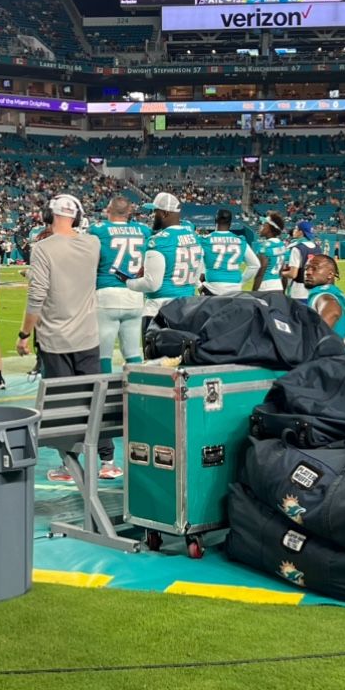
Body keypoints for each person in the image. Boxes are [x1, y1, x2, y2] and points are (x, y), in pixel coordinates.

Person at [16, 194, 117, 481]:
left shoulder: (42, 248)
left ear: (48, 215)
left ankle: (69, 464)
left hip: (55, 338)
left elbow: (37, 296)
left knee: (64, 406)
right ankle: (108, 460)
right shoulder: (92, 243)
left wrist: (24, 334)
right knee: (95, 399)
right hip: (87, 336)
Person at [89, 196, 150, 373]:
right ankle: (137, 387)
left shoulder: (98, 229)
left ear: (108, 210)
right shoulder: (143, 230)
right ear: (129, 212)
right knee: (133, 351)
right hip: (135, 295)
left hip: (107, 293)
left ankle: (103, 388)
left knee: (103, 353)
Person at [125, 192, 204, 326]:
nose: (152, 215)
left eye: (155, 211)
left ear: (164, 213)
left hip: (160, 309)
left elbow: (152, 284)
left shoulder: (158, 241)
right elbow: (197, 276)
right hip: (188, 308)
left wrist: (128, 282)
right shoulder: (195, 238)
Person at [304, 254, 345, 353]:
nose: (308, 272)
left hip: (338, 358)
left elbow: (332, 311)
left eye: (314, 268)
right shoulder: (335, 292)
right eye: (306, 268)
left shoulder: (322, 294)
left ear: (330, 274)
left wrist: (309, 345)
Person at [201, 209, 260, 296]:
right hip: (235, 289)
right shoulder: (240, 241)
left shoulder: (204, 240)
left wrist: (199, 284)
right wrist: (241, 281)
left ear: (215, 220)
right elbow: (255, 265)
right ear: (230, 223)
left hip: (212, 287)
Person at [280, 220, 318, 301]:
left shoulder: (296, 248)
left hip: (298, 291)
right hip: (314, 291)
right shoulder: (318, 248)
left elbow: (293, 274)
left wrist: (279, 273)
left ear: (301, 232)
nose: (294, 230)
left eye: (296, 228)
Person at [252, 212, 288, 292]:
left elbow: (260, 273)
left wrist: (254, 293)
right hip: (278, 285)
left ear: (269, 228)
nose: (261, 227)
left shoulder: (264, 246)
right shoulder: (282, 244)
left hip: (265, 286)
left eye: (264, 225)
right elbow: (282, 272)